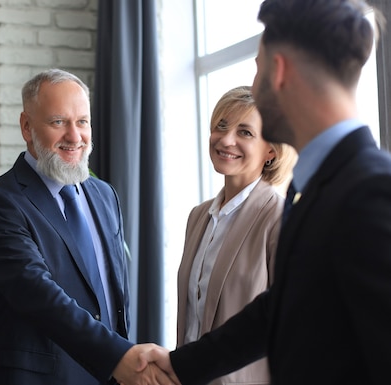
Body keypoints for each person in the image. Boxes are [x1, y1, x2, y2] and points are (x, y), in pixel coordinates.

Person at [138, 0, 391, 384]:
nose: (254, 85)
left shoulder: (371, 192)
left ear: (279, 70)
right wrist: (183, 363)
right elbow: (277, 310)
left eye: (257, 70)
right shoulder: (315, 188)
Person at [0, 68, 174, 385]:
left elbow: (115, 299)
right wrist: (119, 356)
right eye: (58, 122)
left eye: (82, 122)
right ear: (26, 126)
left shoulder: (105, 196)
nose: (75, 136)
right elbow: (38, 296)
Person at [177, 85, 294, 385]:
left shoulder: (279, 218)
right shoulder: (198, 217)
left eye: (245, 132)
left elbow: (290, 324)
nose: (226, 139)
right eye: (221, 126)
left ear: (271, 149)